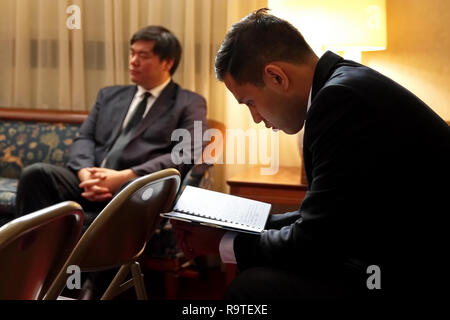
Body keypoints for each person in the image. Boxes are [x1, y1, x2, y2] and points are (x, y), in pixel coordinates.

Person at [171, 8, 450, 300]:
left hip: (410, 270)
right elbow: (327, 219)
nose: (255, 118)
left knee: (253, 288)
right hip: (385, 248)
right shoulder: (344, 84)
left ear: (277, 77)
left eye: (250, 101)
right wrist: (236, 225)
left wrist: (223, 244)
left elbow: (317, 242)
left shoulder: (340, 101)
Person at [15, 25, 207, 222]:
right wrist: (85, 174)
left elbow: (186, 153)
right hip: (89, 180)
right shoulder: (109, 95)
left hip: (135, 185)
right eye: (132, 53)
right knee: (36, 174)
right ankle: (31, 251)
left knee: (137, 192)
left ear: (167, 62)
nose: (133, 61)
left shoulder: (189, 102)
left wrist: (125, 177)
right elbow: (85, 138)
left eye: (143, 56)